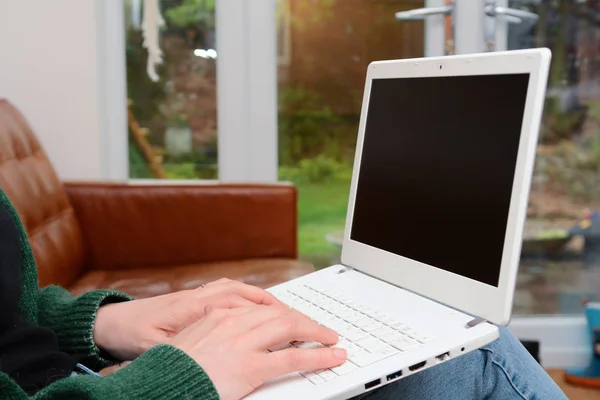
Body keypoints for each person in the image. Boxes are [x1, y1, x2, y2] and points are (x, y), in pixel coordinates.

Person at [0, 189, 567, 400]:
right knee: (475, 355)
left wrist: (96, 324)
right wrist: (181, 380)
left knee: (438, 346)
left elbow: (9, 319)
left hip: (80, 379)